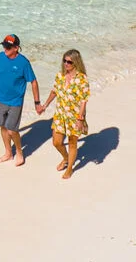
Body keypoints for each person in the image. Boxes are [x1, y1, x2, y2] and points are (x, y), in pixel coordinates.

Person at [0, 34, 40, 166]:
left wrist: (37, 103)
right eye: (4, 45)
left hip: (15, 101)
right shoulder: (0, 57)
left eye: (8, 46)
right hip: (1, 99)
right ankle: (8, 153)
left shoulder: (24, 63)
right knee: (3, 126)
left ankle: (19, 152)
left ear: (16, 48)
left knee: (12, 129)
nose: (5, 48)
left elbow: (33, 82)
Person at [38, 49, 90, 179]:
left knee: (72, 142)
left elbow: (84, 100)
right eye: (64, 61)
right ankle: (66, 158)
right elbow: (54, 91)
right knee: (56, 142)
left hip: (75, 115)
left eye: (69, 62)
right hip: (60, 114)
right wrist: (45, 105)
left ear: (76, 63)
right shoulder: (60, 75)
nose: (66, 64)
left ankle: (70, 168)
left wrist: (80, 118)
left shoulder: (82, 79)